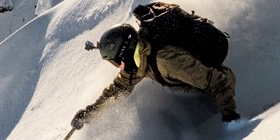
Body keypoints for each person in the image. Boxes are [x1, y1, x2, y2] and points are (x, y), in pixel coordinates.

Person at [74, 21, 239, 128]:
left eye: (118, 62)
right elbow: (117, 90)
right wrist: (90, 112)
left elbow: (218, 81)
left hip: (219, 90)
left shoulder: (165, 61)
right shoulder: (139, 63)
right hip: (197, 90)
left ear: (125, 53)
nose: (120, 67)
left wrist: (230, 117)